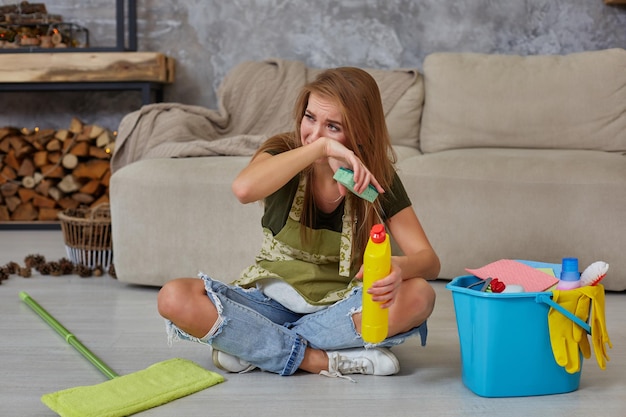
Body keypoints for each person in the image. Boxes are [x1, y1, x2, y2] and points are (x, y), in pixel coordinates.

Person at [157, 67, 440, 379]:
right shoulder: (283, 151)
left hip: (341, 309)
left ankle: (255, 344)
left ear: (361, 131)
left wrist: (399, 268)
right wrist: (321, 148)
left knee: (420, 295)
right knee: (174, 297)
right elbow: (243, 189)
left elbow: (429, 261)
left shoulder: (375, 177)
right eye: (310, 118)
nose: (314, 133)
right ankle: (322, 360)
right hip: (270, 304)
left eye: (332, 126)